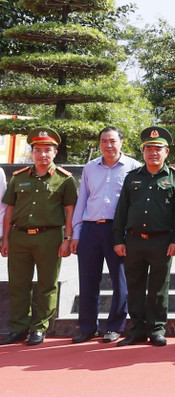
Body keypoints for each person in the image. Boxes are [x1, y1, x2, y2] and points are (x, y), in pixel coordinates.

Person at [0, 129, 77, 346]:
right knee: (18, 284)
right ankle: (18, 328)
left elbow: (70, 211)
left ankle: (39, 328)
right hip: (20, 237)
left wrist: (67, 239)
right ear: (32, 152)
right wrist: (5, 239)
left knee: (47, 284)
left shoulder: (65, 179)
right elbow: (9, 210)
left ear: (55, 152)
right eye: (38, 150)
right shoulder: (19, 177)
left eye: (47, 150)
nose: (42, 154)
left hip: (49, 237)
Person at [112, 127, 175, 347]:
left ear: (166, 152)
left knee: (158, 288)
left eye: (158, 149)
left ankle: (156, 329)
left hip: (162, 241)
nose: (153, 153)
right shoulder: (132, 177)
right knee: (134, 286)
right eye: (149, 149)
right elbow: (121, 211)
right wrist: (118, 239)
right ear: (143, 152)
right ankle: (137, 329)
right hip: (134, 240)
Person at [69, 126, 138, 344]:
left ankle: (115, 326)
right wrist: (76, 233)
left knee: (120, 281)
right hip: (90, 228)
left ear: (121, 142)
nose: (108, 145)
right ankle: (87, 327)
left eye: (112, 140)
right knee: (88, 280)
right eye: (104, 141)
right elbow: (82, 200)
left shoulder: (134, 167)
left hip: (117, 230)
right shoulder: (90, 167)